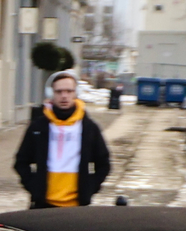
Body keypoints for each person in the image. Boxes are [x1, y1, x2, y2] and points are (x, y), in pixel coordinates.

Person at [13, 71, 113, 207]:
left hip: (77, 206)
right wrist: (34, 187)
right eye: (59, 91)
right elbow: (21, 161)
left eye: (69, 91)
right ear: (52, 94)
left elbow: (104, 163)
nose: (64, 96)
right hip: (43, 205)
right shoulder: (39, 126)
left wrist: (89, 188)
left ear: (75, 93)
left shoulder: (89, 127)